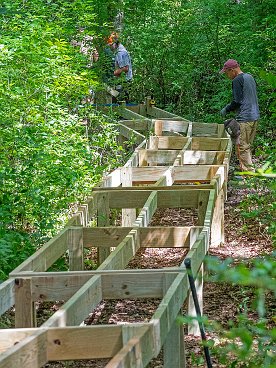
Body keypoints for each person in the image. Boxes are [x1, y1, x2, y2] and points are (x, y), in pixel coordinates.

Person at [220, 59, 260, 172]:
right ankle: (248, 169)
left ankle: (247, 174)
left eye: (226, 73)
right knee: (247, 145)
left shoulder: (237, 80)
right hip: (255, 116)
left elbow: (237, 101)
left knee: (241, 145)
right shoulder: (249, 77)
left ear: (232, 70)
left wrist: (226, 109)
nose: (227, 75)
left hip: (245, 118)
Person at [107, 32, 133, 102]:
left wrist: (113, 73)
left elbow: (125, 68)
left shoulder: (121, 53)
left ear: (115, 43)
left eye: (110, 45)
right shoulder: (118, 52)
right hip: (120, 81)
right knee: (116, 101)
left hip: (124, 82)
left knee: (120, 103)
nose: (110, 48)